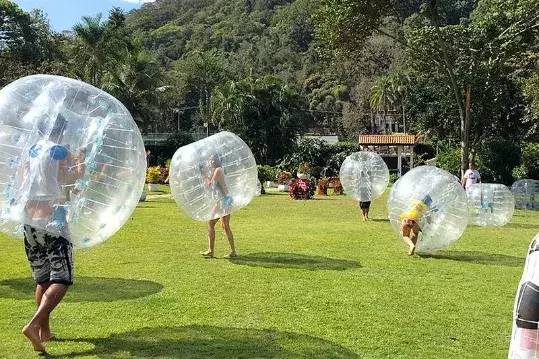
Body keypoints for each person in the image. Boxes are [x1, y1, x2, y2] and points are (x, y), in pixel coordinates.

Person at [20, 115, 84, 353]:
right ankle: (34, 324)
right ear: (59, 131)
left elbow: (24, 181)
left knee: (43, 278)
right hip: (52, 220)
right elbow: (71, 179)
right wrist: (80, 161)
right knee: (61, 278)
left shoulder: (32, 151)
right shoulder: (59, 151)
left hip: (29, 221)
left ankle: (44, 332)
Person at [200, 154, 237, 259]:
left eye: (212, 160)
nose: (210, 161)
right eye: (209, 160)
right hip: (223, 200)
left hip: (223, 200)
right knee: (224, 226)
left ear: (216, 160)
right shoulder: (217, 170)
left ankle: (212, 251)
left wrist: (204, 175)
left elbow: (210, 185)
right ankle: (231, 251)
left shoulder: (218, 170)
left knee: (213, 224)